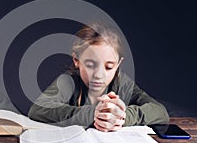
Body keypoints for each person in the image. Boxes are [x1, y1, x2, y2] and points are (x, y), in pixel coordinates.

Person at [28, 23, 169, 132]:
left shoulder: (122, 83)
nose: (99, 75)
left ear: (118, 64)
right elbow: (37, 109)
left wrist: (122, 116)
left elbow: (160, 111)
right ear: (76, 60)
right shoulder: (68, 81)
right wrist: (93, 113)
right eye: (90, 65)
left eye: (109, 67)